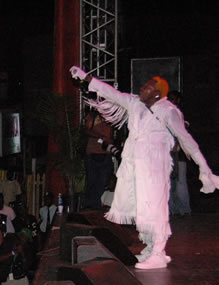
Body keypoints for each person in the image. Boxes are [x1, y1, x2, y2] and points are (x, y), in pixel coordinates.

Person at [70, 66, 219, 269]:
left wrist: (204, 168)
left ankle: (159, 251)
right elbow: (111, 94)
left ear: (157, 93)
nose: (142, 88)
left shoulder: (169, 111)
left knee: (155, 208)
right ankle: (150, 247)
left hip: (155, 167)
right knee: (141, 207)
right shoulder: (134, 104)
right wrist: (87, 79)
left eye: (147, 87)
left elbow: (187, 140)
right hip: (135, 166)